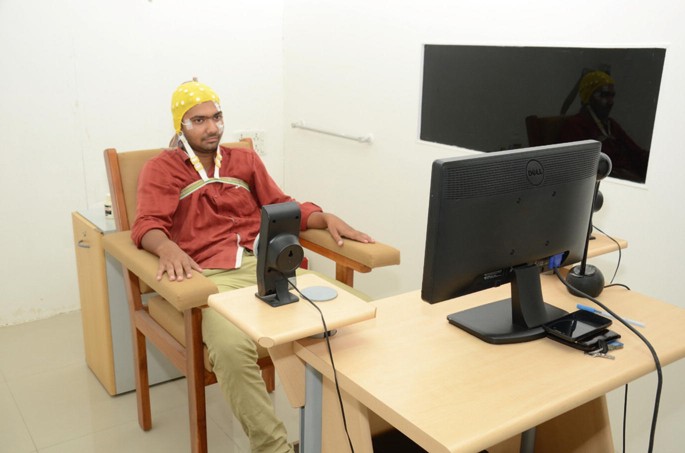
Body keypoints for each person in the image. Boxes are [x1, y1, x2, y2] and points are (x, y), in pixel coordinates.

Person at [131, 79, 374, 453]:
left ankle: (359, 432)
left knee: (358, 313)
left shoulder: (243, 160)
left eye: (217, 117)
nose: (212, 128)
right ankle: (272, 447)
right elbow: (146, 224)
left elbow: (280, 204)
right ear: (180, 124)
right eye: (199, 120)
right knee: (230, 349)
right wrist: (166, 248)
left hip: (269, 267)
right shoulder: (161, 169)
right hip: (209, 279)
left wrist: (323, 217)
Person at [559, 70, 650, 183]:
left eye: (612, 96)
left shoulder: (610, 124)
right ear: (589, 97)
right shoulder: (574, 125)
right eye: (604, 95)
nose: (610, 102)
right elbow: (582, 170)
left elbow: (636, 152)